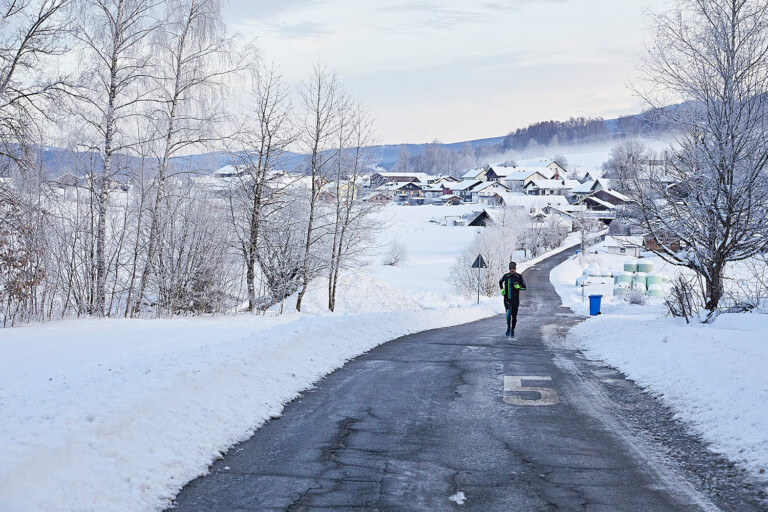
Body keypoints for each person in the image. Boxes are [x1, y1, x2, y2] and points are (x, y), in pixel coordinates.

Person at [499, 261, 526, 337]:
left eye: (513, 268)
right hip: (507, 299)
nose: (512, 270)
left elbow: (524, 287)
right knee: (508, 313)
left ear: (515, 268)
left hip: (515, 300)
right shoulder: (506, 276)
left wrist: (519, 287)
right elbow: (500, 281)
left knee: (514, 317)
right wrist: (502, 289)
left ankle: (512, 330)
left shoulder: (519, 277)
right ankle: (508, 328)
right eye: (510, 268)